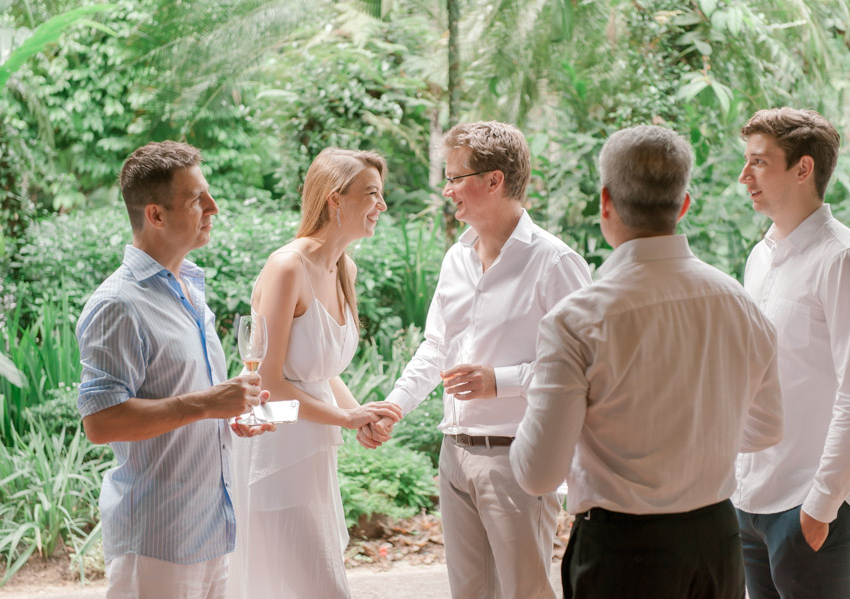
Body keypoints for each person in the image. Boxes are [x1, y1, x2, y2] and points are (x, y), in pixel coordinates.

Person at [510, 125, 785, 599]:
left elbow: (538, 473)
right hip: (716, 540)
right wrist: (696, 439)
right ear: (683, 205)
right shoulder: (739, 304)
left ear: (605, 203)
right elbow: (767, 428)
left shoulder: (577, 321)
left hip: (624, 551)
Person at [360, 121, 592, 599]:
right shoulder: (456, 258)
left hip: (518, 459)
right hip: (454, 455)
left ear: (494, 180)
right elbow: (436, 347)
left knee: (525, 593)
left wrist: (499, 381)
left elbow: (587, 366)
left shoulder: (556, 262)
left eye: (455, 177)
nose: (447, 190)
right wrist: (395, 405)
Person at [76, 141, 275, 599]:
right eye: (196, 199)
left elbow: (188, 404)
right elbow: (102, 422)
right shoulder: (117, 304)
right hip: (157, 540)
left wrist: (230, 412)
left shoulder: (191, 290)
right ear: (156, 215)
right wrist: (206, 403)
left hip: (211, 530)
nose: (214, 207)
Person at [228, 148, 403, 599]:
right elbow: (268, 384)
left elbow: (319, 372)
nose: (381, 206)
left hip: (313, 448)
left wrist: (358, 412)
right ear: (334, 199)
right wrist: (344, 419)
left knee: (316, 579)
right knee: (317, 584)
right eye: (372, 194)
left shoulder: (345, 268)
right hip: (275, 444)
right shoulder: (288, 267)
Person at [734, 107, 850, 599]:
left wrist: (820, 506)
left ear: (803, 169)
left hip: (807, 506)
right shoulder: (760, 257)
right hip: (749, 499)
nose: (744, 175)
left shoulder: (846, 261)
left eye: (759, 162)